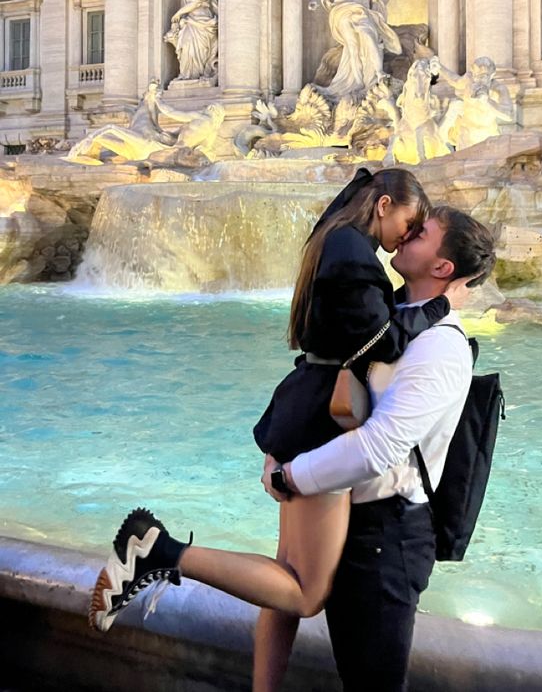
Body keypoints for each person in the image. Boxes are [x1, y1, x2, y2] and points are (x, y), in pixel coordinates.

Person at [88, 169, 467, 691]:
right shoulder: (353, 251)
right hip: (322, 423)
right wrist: (443, 305)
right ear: (383, 205)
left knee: (283, 576)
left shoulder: (334, 236)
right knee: (304, 592)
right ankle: (160, 551)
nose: (409, 230)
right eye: (411, 220)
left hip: (307, 404)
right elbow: (380, 340)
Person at [262, 205, 497, 692]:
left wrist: (291, 477)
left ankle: (168, 555)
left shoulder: (439, 346)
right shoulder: (384, 318)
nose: (408, 233)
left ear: (442, 267)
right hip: (348, 512)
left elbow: (380, 447)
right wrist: (279, 449)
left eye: (423, 232)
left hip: (388, 537)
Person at [309, 0, 402, 99]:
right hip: (344, 8)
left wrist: (380, 4)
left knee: (368, 35)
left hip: (363, 10)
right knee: (352, 45)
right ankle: (357, 81)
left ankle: (378, 73)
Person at [164, 0, 219, 81]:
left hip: (203, 21)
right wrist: (182, 20)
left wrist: (177, 14)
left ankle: (198, 74)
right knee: (186, 44)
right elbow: (186, 9)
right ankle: (187, 74)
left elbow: (195, 4)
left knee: (200, 49)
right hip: (190, 22)